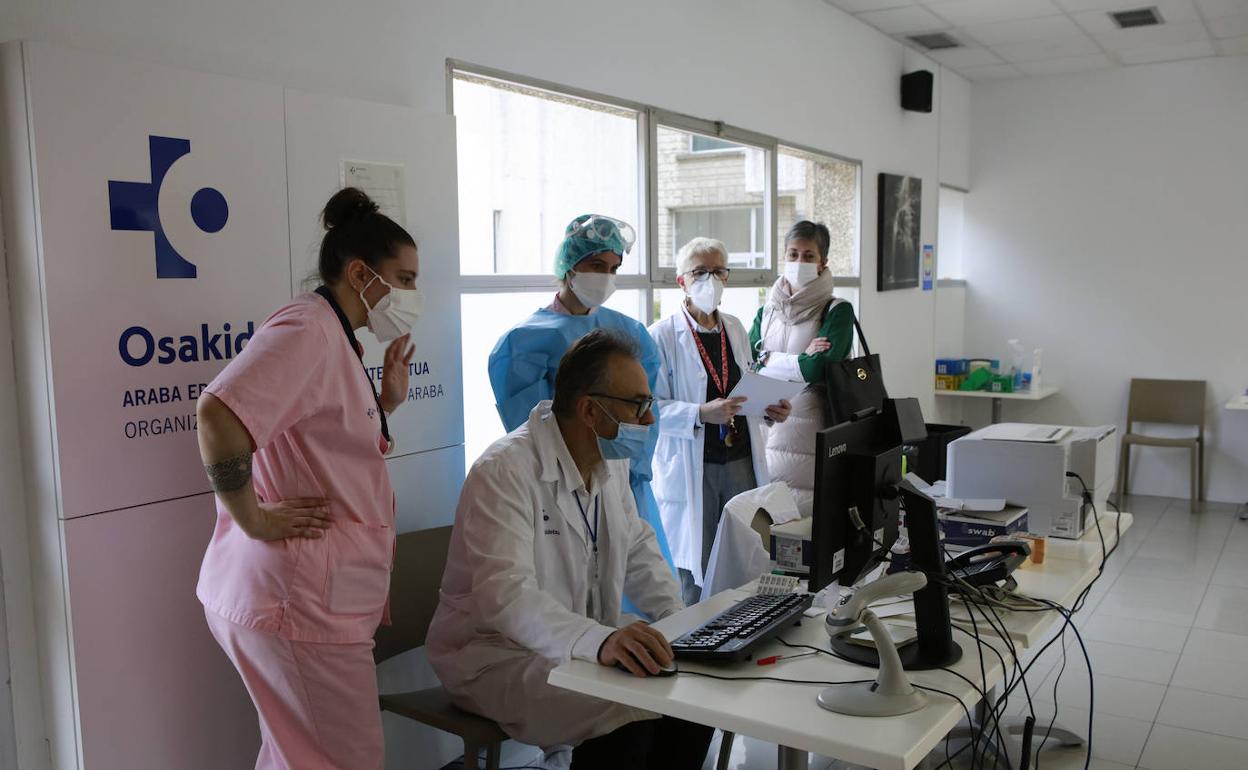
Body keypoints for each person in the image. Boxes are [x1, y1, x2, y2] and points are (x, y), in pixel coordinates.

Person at [195, 187, 422, 770]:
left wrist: (386, 404)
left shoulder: (334, 335)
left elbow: (323, 443)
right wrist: (251, 515)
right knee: (342, 761)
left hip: (306, 599)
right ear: (359, 273)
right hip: (298, 602)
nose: (412, 295)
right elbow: (218, 413)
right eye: (405, 278)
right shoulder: (309, 330)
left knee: (298, 754)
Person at [428, 330, 713, 770]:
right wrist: (599, 641)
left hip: (576, 635)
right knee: (624, 715)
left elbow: (636, 545)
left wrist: (678, 625)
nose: (650, 420)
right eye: (638, 405)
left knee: (693, 699)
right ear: (589, 410)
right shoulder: (503, 471)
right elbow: (506, 598)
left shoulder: (608, 460)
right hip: (492, 655)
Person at [488, 214, 675, 575]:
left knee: (637, 579)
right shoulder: (524, 342)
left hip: (625, 480)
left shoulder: (629, 332)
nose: (606, 276)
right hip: (559, 489)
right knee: (567, 581)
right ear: (569, 265)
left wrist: (630, 471)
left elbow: (643, 416)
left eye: (613, 267)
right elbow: (531, 431)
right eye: (596, 265)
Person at [649, 237, 792, 604]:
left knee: (744, 553)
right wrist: (699, 413)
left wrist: (770, 411)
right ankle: (692, 639)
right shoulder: (662, 336)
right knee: (696, 561)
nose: (709, 280)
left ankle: (741, 623)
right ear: (681, 280)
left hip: (740, 457)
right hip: (693, 464)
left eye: (717, 271)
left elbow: (743, 391)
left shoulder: (735, 328)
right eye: (699, 272)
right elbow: (649, 408)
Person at [750, 221, 854, 518]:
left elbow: (818, 368)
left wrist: (768, 357)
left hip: (812, 430)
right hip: (768, 426)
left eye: (808, 256)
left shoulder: (837, 311)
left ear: (823, 263)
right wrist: (797, 359)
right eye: (793, 254)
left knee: (809, 518)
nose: (799, 262)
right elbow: (746, 362)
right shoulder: (767, 311)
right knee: (769, 516)